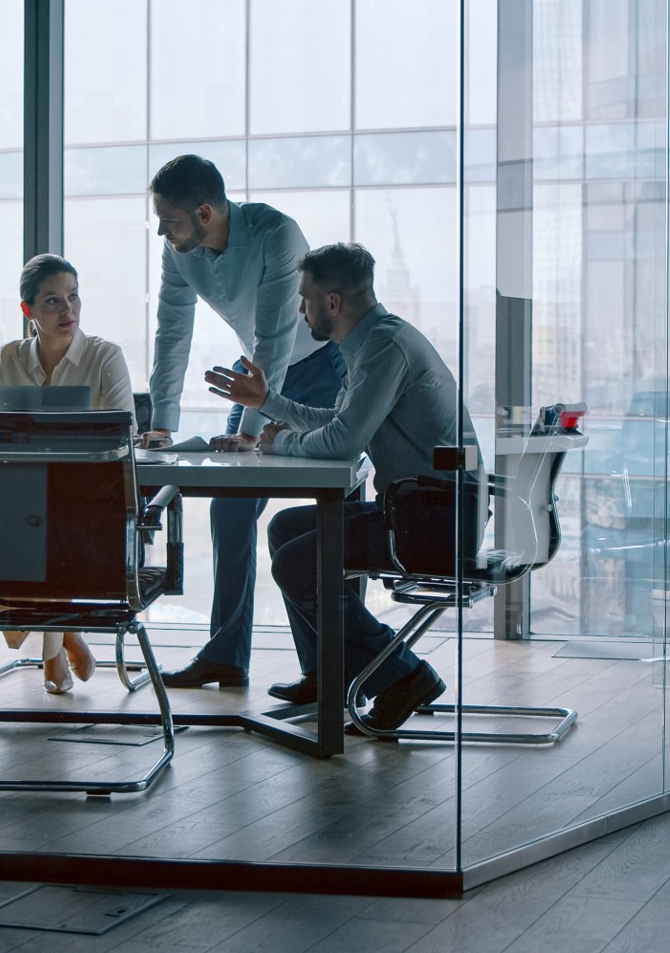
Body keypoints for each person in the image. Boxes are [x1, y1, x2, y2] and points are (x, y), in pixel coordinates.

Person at [206, 242, 485, 732]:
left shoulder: (383, 348)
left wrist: (281, 444)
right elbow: (339, 420)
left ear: (331, 303)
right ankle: (325, 671)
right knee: (287, 529)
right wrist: (269, 401)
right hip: (420, 509)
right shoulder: (372, 341)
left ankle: (403, 674)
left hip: (436, 519)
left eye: (305, 298)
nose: (300, 309)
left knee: (296, 562)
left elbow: (341, 442)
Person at [141, 155, 346, 689]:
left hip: (322, 369)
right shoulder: (178, 254)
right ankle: (227, 653)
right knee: (230, 509)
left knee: (327, 511)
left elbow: (276, 336)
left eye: (171, 220)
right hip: (256, 374)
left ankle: (328, 671)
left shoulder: (277, 234)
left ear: (205, 211)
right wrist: (162, 421)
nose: (162, 230)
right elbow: (171, 332)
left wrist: (251, 431)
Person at [0, 253, 136, 694]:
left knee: (42, 526)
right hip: (23, 503)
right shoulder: (9, 358)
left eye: (73, 297)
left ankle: (53, 650)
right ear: (28, 311)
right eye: (52, 301)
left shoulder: (105, 356)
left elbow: (122, 436)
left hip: (88, 505)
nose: (68, 310)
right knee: (20, 523)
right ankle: (64, 636)